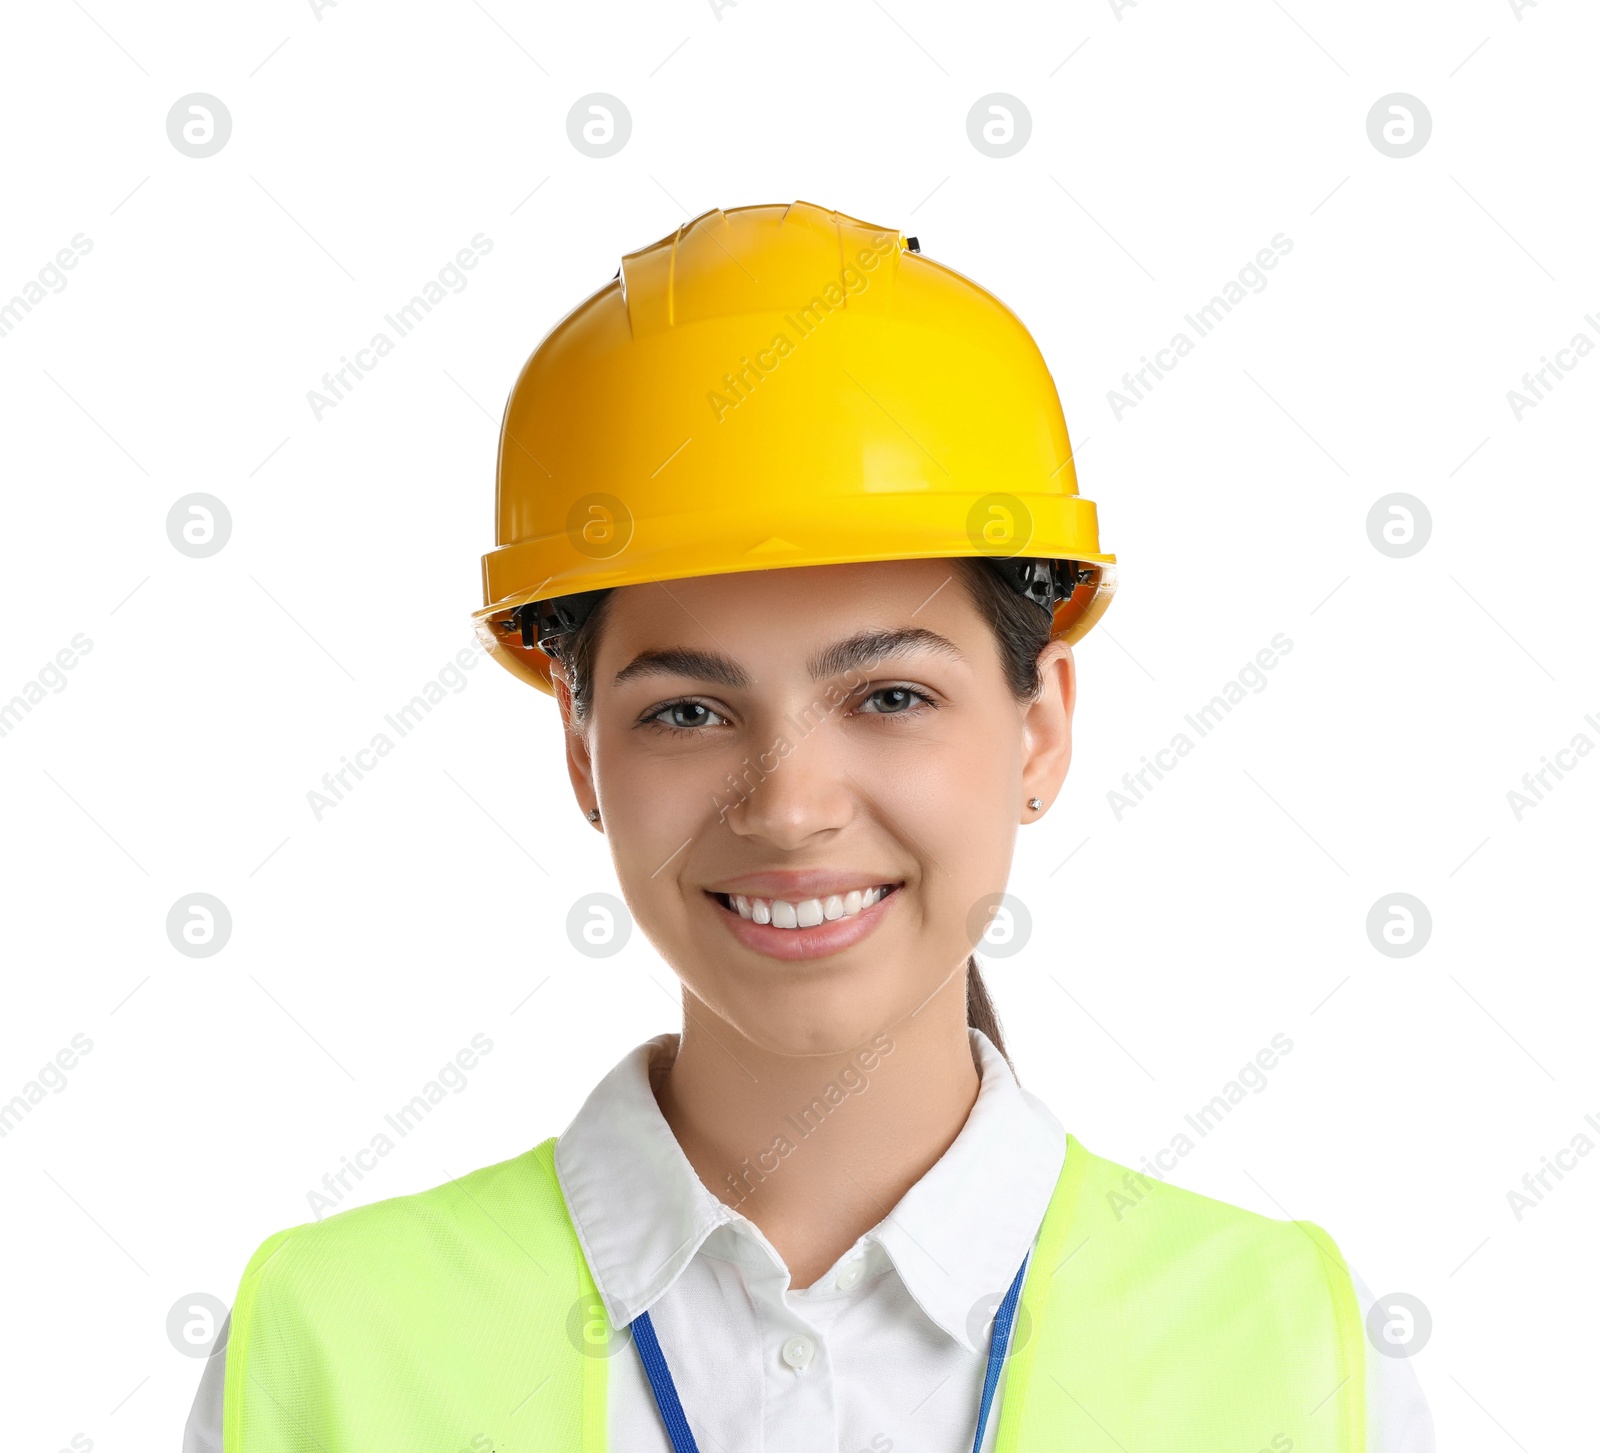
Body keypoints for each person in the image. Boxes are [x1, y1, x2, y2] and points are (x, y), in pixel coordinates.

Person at [185, 202, 1435, 1452]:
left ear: (1039, 723)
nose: (787, 806)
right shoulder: (332, 1346)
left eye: (890, 696)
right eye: (685, 711)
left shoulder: (1293, 1361)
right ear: (582, 750)